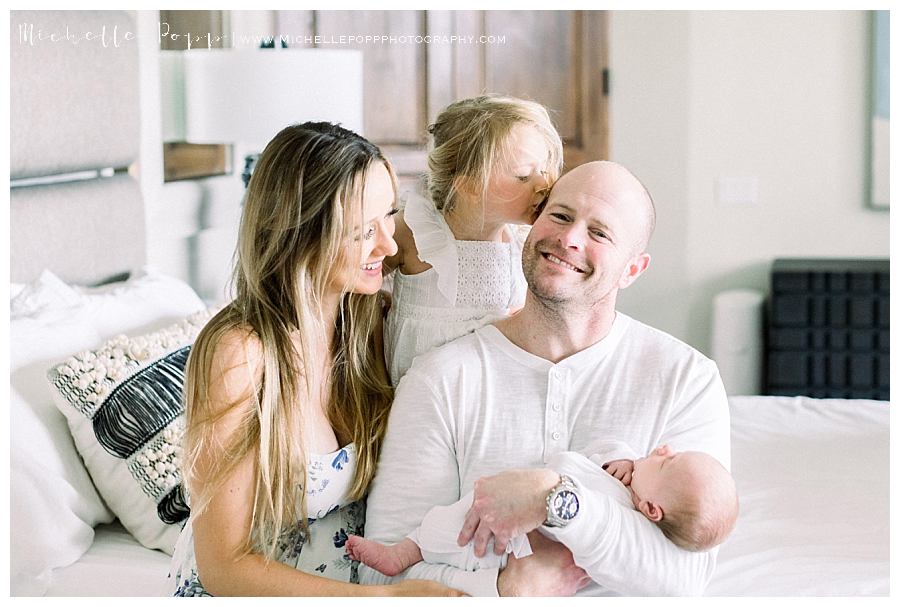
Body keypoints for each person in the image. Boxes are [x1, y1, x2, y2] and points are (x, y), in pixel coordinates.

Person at [361, 160, 732, 596]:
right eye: (560, 215)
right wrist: (505, 590)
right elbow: (382, 572)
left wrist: (555, 498)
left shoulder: (686, 379)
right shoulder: (442, 378)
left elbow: (684, 578)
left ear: (633, 269)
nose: (570, 238)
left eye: (599, 233)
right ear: (532, 225)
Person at [167, 122, 463, 597]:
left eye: (389, 216)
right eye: (364, 231)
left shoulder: (370, 325)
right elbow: (221, 566)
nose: (387, 245)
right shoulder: (242, 355)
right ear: (302, 234)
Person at [383, 95, 564, 385]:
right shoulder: (415, 229)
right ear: (469, 185)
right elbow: (353, 278)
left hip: (496, 390)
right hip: (422, 391)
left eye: (543, 169)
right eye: (522, 176)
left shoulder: (525, 241)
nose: (543, 184)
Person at [346, 444, 737, 576]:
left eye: (668, 462)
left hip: (515, 544)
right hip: (513, 508)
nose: (663, 448)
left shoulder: (635, 535)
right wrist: (631, 467)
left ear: (653, 510)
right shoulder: (633, 481)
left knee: (456, 526)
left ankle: (404, 553)